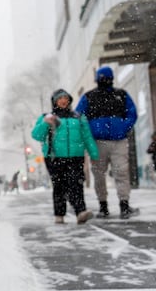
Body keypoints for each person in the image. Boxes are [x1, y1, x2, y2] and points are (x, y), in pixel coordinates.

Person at [74, 66, 139, 219]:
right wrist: (122, 127)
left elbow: (132, 114)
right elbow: (78, 117)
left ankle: (117, 205)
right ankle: (111, 205)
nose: (104, 80)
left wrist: (123, 127)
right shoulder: (94, 96)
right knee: (106, 174)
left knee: (115, 173)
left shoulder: (118, 95)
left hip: (113, 140)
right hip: (101, 141)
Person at [32, 88, 98, 224]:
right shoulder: (47, 117)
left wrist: (94, 154)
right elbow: (37, 135)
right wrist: (45, 123)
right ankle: (59, 214)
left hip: (76, 156)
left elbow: (87, 137)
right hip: (54, 157)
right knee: (59, 185)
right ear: (55, 101)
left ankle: (80, 212)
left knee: (76, 183)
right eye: (60, 98)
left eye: (66, 98)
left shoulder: (78, 117)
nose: (63, 101)